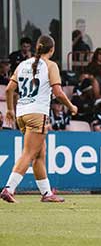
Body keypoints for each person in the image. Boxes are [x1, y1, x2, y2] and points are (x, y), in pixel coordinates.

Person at [2, 35, 77, 203]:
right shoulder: (50, 65)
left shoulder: (22, 64)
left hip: (22, 113)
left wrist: (9, 110)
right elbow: (58, 92)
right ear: (52, 49)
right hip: (37, 114)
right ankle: (9, 188)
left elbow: (9, 90)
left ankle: (46, 193)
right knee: (29, 153)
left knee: (39, 153)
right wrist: (71, 107)